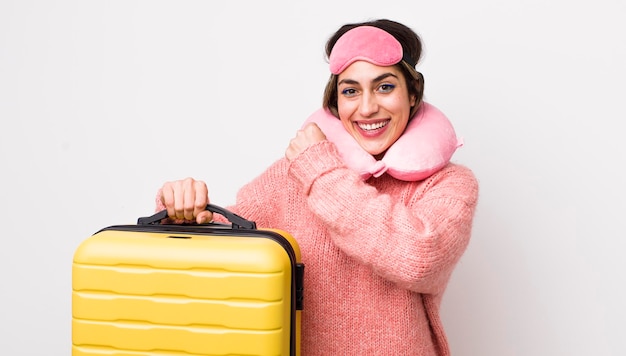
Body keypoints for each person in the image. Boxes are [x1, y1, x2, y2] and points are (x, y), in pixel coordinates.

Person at [156, 19, 479, 355]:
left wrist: (321, 173)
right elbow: (223, 246)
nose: (367, 108)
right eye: (351, 91)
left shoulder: (449, 183)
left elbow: (419, 260)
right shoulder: (294, 174)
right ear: (336, 104)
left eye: (385, 87)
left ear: (412, 94)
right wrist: (182, 213)